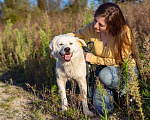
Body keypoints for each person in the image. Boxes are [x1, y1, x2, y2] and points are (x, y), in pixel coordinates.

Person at [68, 2, 138, 115]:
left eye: (101, 24)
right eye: (95, 20)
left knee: (105, 75)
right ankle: (115, 95)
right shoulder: (92, 28)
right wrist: (59, 39)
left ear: (112, 25)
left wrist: (95, 59)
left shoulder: (124, 32)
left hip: (124, 71)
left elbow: (121, 61)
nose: (95, 25)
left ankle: (126, 91)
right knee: (101, 110)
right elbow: (76, 35)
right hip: (102, 73)